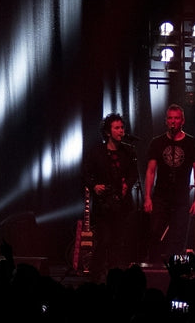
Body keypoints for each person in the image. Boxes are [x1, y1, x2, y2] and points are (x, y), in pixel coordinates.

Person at [143, 103, 195, 264]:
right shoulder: (157, 142)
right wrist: (147, 197)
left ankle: (176, 270)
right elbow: (150, 171)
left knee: (179, 236)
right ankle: (154, 267)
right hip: (161, 196)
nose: (173, 121)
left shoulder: (193, 143)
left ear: (182, 121)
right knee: (155, 231)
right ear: (166, 121)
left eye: (176, 118)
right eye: (170, 118)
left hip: (181, 197)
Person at [82, 112, 139, 279]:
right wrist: (94, 186)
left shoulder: (128, 152)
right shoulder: (97, 152)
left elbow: (133, 173)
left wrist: (126, 185)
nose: (121, 131)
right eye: (117, 128)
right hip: (103, 205)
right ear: (108, 132)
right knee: (103, 240)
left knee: (117, 242)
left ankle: (114, 277)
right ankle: (94, 276)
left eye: (122, 127)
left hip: (121, 205)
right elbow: (85, 173)